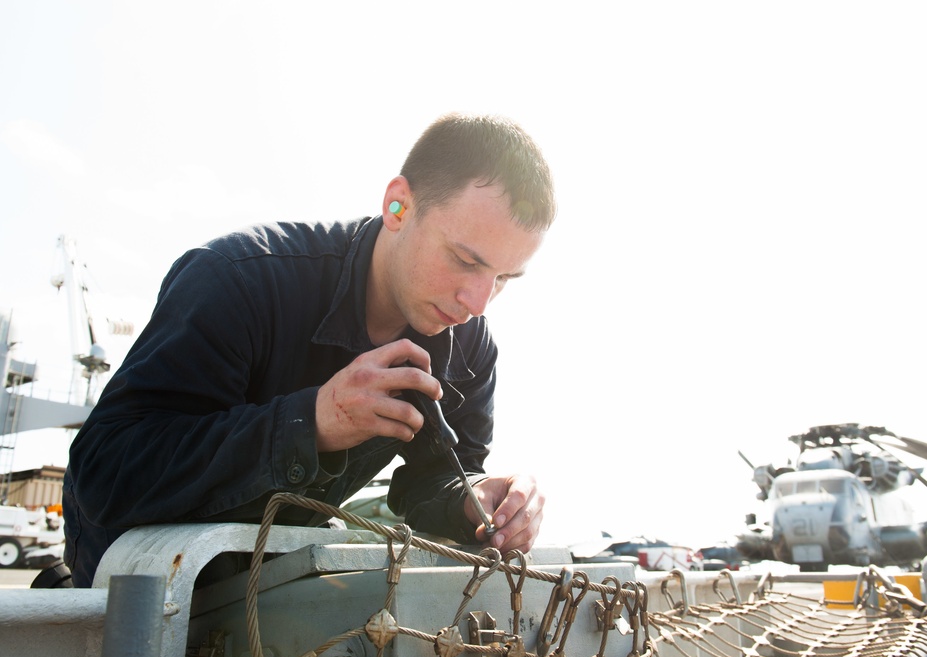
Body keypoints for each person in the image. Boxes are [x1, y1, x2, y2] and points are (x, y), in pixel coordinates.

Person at [62, 113, 556, 588]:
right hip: (133, 589)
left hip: (267, 589)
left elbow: (439, 477)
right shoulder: (237, 280)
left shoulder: (468, 344)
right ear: (398, 206)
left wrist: (475, 501)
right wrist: (311, 423)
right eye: (464, 260)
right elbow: (104, 474)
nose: (477, 303)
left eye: (503, 278)